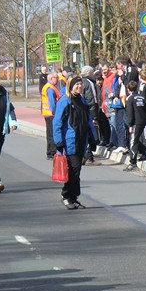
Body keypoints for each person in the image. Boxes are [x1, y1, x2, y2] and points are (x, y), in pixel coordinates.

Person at [53, 76, 96, 209]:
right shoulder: (64, 101)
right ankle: (66, 195)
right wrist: (58, 141)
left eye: (80, 84)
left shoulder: (82, 101)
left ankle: (74, 197)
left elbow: (88, 121)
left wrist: (93, 138)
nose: (79, 86)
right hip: (70, 141)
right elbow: (57, 122)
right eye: (76, 84)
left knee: (77, 170)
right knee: (74, 169)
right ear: (71, 86)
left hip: (82, 141)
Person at [124, 79, 146, 171]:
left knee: (133, 141)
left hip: (135, 122)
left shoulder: (130, 98)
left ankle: (133, 161)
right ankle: (145, 152)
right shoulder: (142, 97)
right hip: (142, 120)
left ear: (128, 89)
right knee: (136, 138)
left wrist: (130, 125)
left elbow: (130, 113)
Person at [79, 65, 100, 165]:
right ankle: (89, 158)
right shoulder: (88, 83)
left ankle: (84, 156)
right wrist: (94, 115)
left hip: (83, 112)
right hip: (88, 112)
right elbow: (92, 100)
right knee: (89, 134)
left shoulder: (81, 82)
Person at [41, 71, 61, 159]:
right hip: (51, 114)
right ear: (51, 79)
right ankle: (52, 152)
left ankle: (49, 151)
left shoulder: (47, 87)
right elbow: (52, 103)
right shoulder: (50, 89)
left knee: (49, 133)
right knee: (52, 133)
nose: (58, 79)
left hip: (47, 114)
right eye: (56, 78)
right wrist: (56, 113)